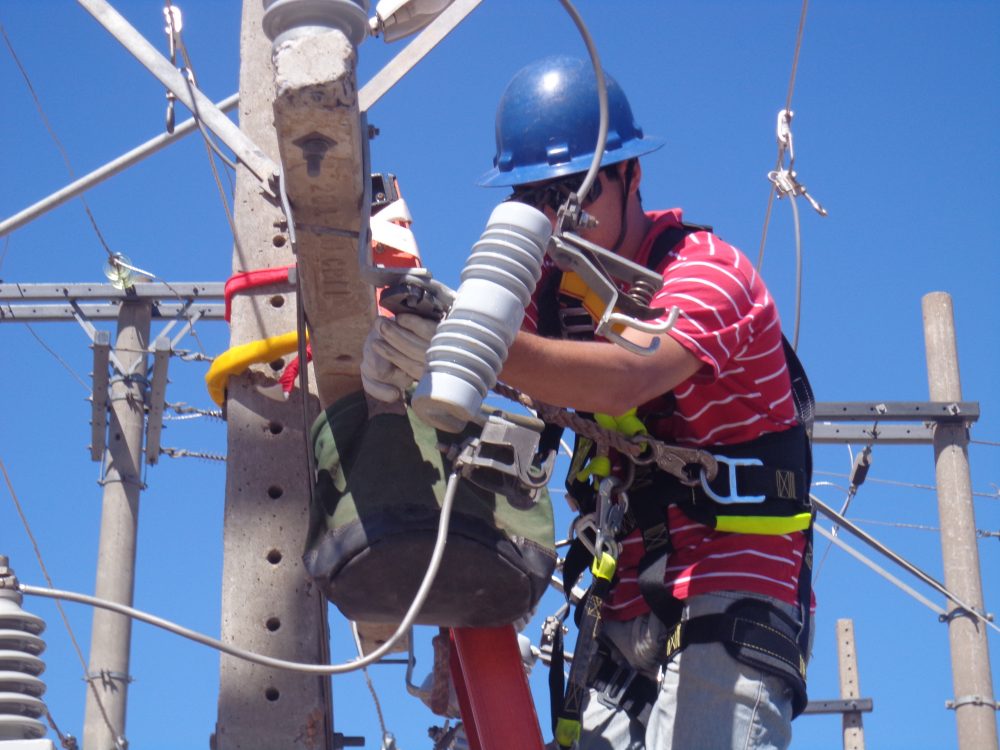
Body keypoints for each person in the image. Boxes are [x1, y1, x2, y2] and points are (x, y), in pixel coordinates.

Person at [361, 55, 814, 750]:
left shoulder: (706, 273)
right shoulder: (547, 288)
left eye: (579, 187)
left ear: (632, 175)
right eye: (537, 196)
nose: (559, 213)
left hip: (733, 579)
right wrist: (410, 340)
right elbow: (490, 383)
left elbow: (629, 376)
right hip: (623, 594)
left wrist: (475, 340)